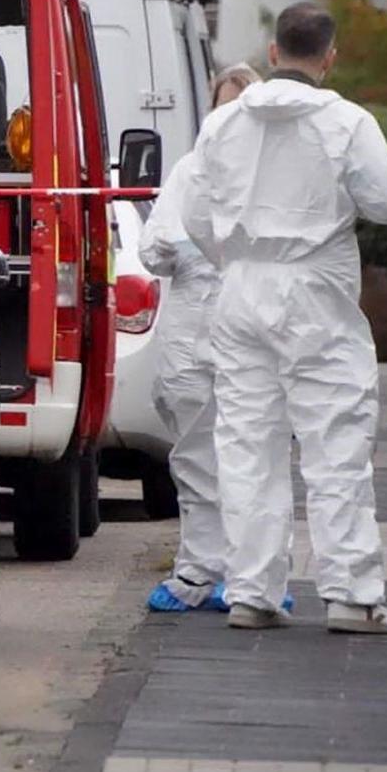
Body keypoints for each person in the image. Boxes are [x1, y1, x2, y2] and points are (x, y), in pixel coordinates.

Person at [182, 3, 387, 634]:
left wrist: (233, 259)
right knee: (335, 440)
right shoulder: (346, 122)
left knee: (248, 444)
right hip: (315, 290)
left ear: (273, 52)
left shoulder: (223, 124)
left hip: (241, 289)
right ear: (329, 57)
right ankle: (350, 594)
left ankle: (253, 592)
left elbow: (196, 214)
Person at [141, 63, 261, 612]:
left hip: (251, 337)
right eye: (223, 105)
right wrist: (190, 251)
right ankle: (196, 572)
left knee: (250, 462)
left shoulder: (272, 176)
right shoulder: (192, 171)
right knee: (194, 460)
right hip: (192, 340)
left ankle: (249, 577)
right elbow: (153, 246)